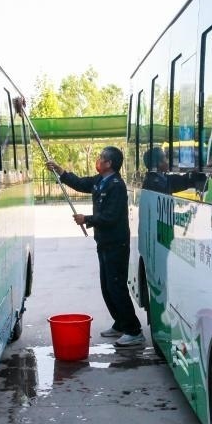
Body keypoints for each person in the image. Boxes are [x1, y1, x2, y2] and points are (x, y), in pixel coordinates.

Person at [46, 146, 144, 347]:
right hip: (104, 242)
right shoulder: (100, 180)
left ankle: (134, 330)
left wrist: (87, 219)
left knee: (116, 286)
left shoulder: (117, 186)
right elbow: (80, 183)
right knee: (107, 287)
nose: (98, 160)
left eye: (101, 158)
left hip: (116, 244)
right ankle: (120, 323)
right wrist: (60, 171)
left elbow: (111, 217)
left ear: (109, 163)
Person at [141, 146, 208, 194]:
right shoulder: (161, 182)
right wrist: (198, 173)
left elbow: (184, 180)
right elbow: (183, 181)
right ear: (159, 163)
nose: (167, 161)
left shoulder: (149, 180)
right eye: (165, 157)